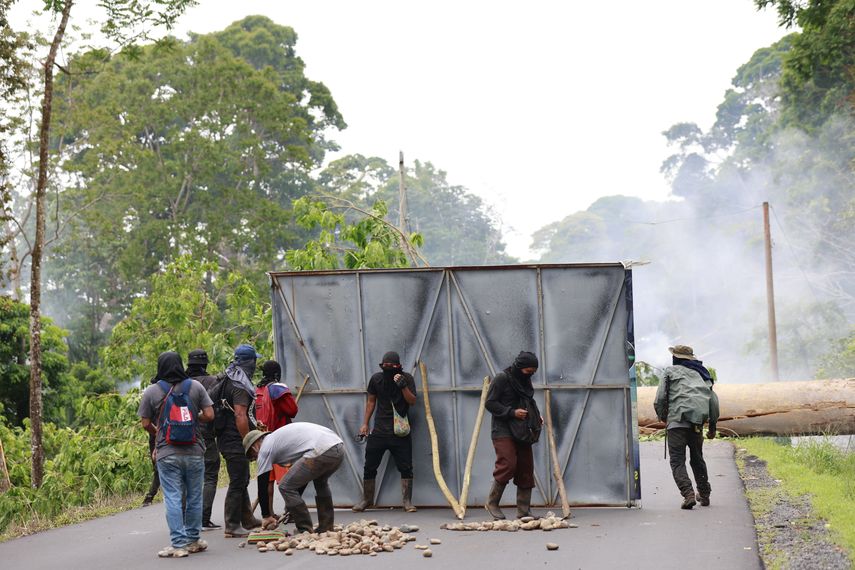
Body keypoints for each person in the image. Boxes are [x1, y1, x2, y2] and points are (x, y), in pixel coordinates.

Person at [138, 351, 214, 558]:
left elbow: (145, 423)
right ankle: (193, 539)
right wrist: (191, 419)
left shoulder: (152, 391)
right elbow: (209, 414)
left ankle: (178, 544)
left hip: (167, 451)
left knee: (172, 497)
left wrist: (160, 431)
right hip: (195, 450)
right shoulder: (195, 387)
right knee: (194, 496)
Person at [244, 423, 344, 534]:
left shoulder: (264, 449)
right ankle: (326, 527)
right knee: (321, 482)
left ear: (255, 446)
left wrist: (266, 515)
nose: (254, 458)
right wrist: (292, 506)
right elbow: (302, 478)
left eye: (252, 455)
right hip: (337, 447)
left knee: (284, 486)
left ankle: (304, 530)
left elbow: (262, 486)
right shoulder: (278, 441)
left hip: (322, 449)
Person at [654, 345, 720, 509]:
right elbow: (713, 402)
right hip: (696, 424)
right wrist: (712, 427)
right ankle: (704, 494)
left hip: (676, 423)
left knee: (677, 461)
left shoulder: (669, 372)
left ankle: (688, 494)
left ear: (676, 358)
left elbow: (660, 399)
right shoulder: (702, 374)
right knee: (697, 459)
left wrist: (664, 417)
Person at [352, 351, 418, 513]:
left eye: (392, 367)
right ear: (382, 366)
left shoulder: (406, 378)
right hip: (379, 431)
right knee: (370, 466)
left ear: (399, 367)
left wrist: (402, 385)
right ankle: (367, 500)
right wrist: (365, 424)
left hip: (400, 432)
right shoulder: (377, 379)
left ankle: (407, 502)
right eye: (386, 366)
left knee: (406, 467)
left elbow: (412, 401)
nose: (389, 369)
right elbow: (371, 401)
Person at [484, 351, 542, 520]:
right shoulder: (502, 378)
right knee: (508, 464)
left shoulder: (525, 381)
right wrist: (511, 412)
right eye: (528, 371)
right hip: (502, 429)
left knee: (526, 467)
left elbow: (528, 401)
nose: (530, 375)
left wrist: (536, 417)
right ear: (519, 367)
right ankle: (492, 503)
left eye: (533, 372)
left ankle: (523, 511)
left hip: (522, 430)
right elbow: (490, 403)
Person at [215, 344, 263, 538]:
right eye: (255, 361)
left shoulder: (230, 378)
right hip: (234, 439)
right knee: (238, 480)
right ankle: (232, 525)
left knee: (242, 478)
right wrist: (248, 441)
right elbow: (240, 415)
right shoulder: (240, 385)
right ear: (250, 362)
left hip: (228, 436)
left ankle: (247, 518)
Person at [254, 359, 299, 519]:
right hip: (281, 439)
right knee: (288, 478)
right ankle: (292, 510)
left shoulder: (256, 391)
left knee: (267, 479)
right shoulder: (276, 390)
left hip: (261, 439)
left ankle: (269, 513)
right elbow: (293, 410)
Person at [186, 348, 222, 530]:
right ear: (205, 364)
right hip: (206, 436)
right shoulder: (213, 381)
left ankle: (186, 520)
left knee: (186, 478)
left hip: (182, 437)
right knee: (209, 476)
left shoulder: (179, 383)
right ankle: (203, 518)